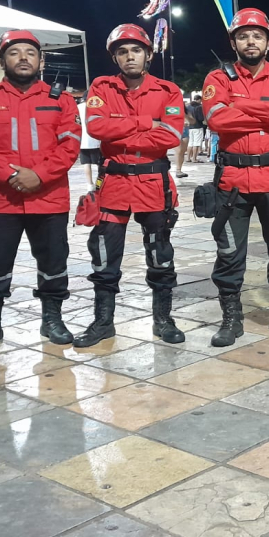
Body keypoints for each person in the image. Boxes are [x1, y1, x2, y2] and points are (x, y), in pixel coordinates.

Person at [0, 30, 81, 351]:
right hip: (1, 199)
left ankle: (52, 319)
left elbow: (70, 144)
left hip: (49, 197)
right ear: (2, 61)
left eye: (30, 52)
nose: (23, 58)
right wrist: (12, 175)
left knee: (54, 261)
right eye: (14, 52)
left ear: (41, 60)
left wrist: (39, 175)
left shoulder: (62, 100)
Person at [73, 23, 187, 347]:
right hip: (114, 184)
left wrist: (121, 127)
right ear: (115, 58)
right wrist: (147, 123)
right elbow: (97, 127)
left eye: (136, 50)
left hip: (154, 184)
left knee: (160, 254)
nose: (130, 56)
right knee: (104, 255)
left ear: (148, 54)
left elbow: (170, 134)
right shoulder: (102, 86)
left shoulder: (168, 91)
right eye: (122, 52)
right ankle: (103, 322)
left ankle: (163, 320)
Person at [202, 8, 269, 346]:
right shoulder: (218, 78)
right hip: (232, 180)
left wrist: (241, 104)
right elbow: (217, 120)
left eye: (257, 36)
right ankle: (231, 318)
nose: (250, 41)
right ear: (233, 43)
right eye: (243, 36)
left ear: (268, 42)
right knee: (229, 252)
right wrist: (268, 112)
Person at [76, 91, 103, 192]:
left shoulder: (77, 107)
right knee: (100, 164)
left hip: (82, 140)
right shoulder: (94, 107)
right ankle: (99, 184)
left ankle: (89, 185)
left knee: (86, 163)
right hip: (95, 140)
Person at [186, 93, 206, 163]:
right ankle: (194, 158)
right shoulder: (199, 107)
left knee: (190, 143)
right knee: (196, 143)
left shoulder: (188, 106)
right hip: (198, 126)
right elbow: (201, 118)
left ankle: (188, 158)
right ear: (199, 99)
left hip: (190, 127)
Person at [174, 90, 190, 179]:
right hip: (177, 131)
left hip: (185, 130)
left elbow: (192, 121)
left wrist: (185, 116)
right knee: (179, 151)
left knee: (183, 151)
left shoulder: (186, 110)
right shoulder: (172, 108)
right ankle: (177, 170)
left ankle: (179, 169)